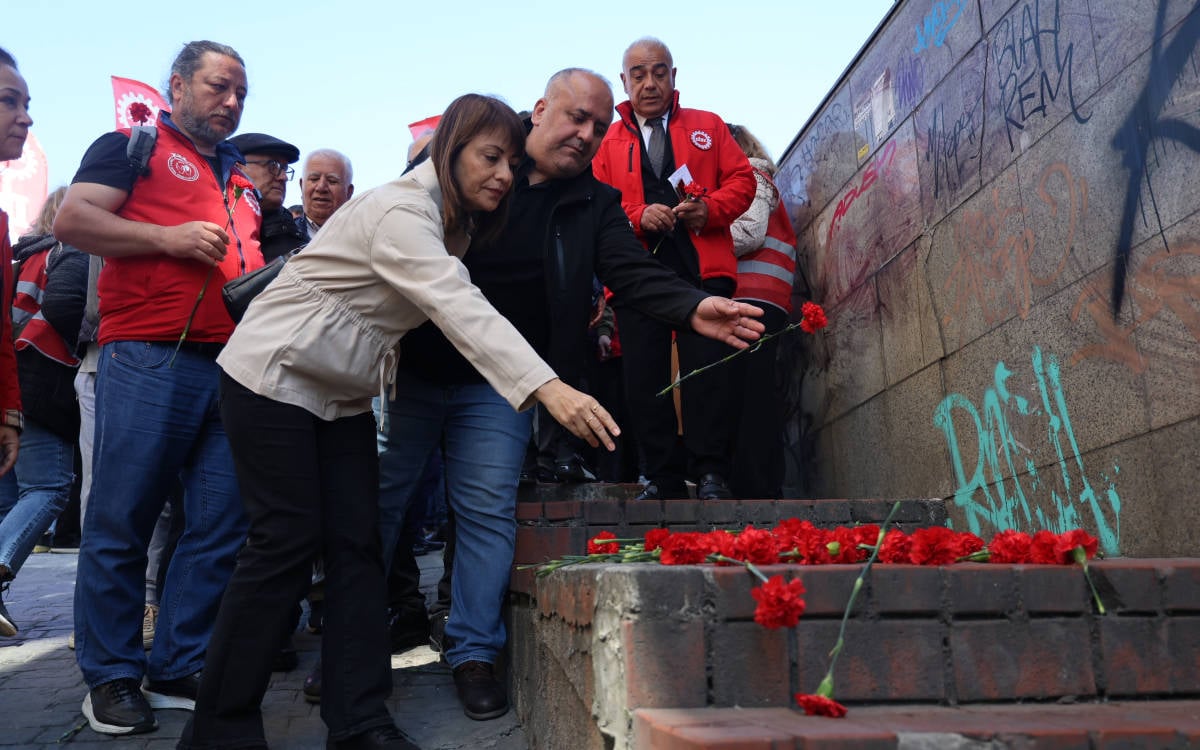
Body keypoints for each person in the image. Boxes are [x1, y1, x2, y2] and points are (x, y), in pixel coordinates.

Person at [178, 93, 624, 750]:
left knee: (360, 550)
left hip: (343, 396)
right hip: (273, 376)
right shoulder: (402, 211)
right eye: (489, 157)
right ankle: (219, 731)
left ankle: (358, 721)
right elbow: (457, 304)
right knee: (284, 543)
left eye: (510, 161)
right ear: (449, 150)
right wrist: (547, 388)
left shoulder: (456, 225)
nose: (503, 174)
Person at [377, 68, 764, 722]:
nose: (584, 133)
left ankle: (473, 652)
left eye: (596, 124)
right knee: (379, 505)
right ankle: (353, 650)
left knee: (486, 513)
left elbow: (633, 272)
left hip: (504, 382)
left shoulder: (594, 203)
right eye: (572, 117)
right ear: (539, 110)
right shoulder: (473, 152)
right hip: (416, 365)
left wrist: (694, 305)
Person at [53, 40, 263, 736]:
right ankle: (111, 676)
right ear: (177, 84)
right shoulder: (128, 144)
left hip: (230, 366)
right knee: (124, 517)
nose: (230, 102)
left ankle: (177, 661)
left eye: (240, 92)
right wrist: (169, 239)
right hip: (147, 356)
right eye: (217, 87)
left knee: (221, 524)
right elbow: (74, 220)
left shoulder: (239, 178)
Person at [591, 37, 757, 501]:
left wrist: (711, 209)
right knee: (644, 376)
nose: (650, 83)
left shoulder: (708, 125)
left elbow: (743, 181)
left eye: (659, 72)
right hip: (636, 272)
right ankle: (661, 476)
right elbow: (596, 201)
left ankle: (711, 474)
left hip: (703, 266)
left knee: (708, 372)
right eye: (638, 74)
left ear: (674, 76)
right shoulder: (607, 139)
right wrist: (635, 215)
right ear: (624, 81)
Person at [0, 188, 85, 640]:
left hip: (12, 382)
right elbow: (67, 308)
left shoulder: (24, 255)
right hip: (42, 382)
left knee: (8, 500)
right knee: (49, 487)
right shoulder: (74, 249)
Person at [726, 123, 798, 499]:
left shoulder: (752, 175)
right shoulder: (757, 177)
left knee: (750, 395)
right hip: (762, 299)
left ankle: (756, 487)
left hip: (753, 299)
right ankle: (758, 483)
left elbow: (749, 234)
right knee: (753, 392)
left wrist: (696, 236)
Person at [228, 132, 307, 260]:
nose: (284, 177)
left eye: (285, 168)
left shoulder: (298, 247)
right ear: (237, 168)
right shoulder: (208, 226)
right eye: (273, 165)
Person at [296, 148, 354, 239]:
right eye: (314, 179)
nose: (321, 187)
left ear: (349, 192)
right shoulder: (278, 237)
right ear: (301, 186)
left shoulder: (365, 240)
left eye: (332, 181)